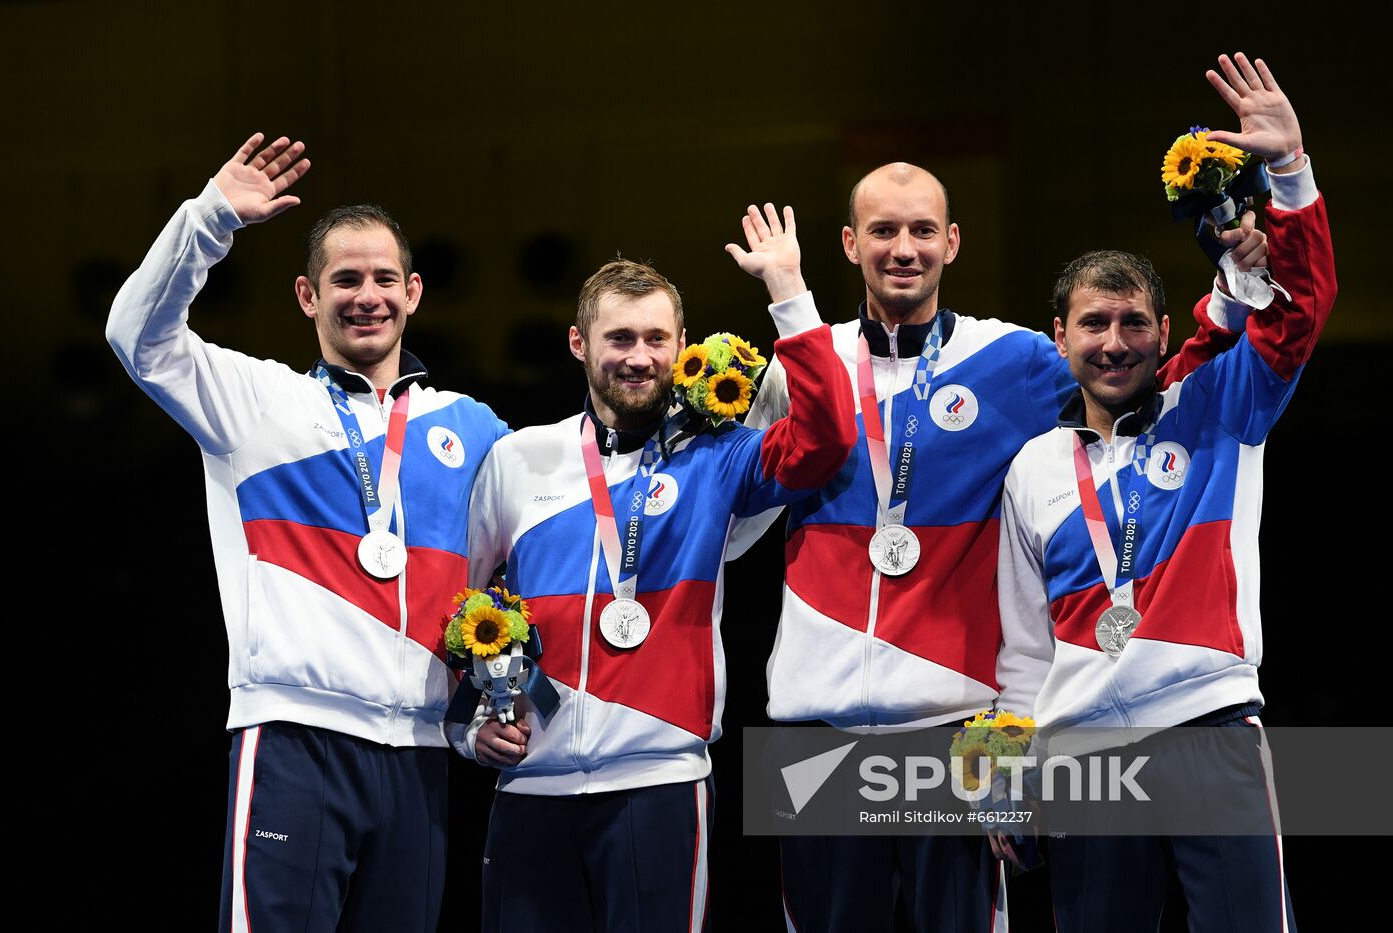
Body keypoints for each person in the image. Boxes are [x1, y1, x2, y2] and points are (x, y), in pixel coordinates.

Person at [732, 92, 1257, 933]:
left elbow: (1148, 380)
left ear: (953, 241)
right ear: (849, 243)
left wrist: (1228, 295)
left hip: (955, 726)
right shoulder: (802, 365)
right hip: (814, 724)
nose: (903, 249)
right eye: (883, 231)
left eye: (922, 230)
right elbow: (737, 525)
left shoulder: (1014, 358)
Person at [106, 134, 509, 932]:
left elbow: (535, 562)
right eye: (345, 279)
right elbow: (135, 336)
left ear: (415, 292)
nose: (368, 295)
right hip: (295, 739)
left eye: (385, 278)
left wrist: (495, 706)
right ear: (306, 295)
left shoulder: (475, 428)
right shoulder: (256, 402)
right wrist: (210, 219)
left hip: (420, 755)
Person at [996, 53, 1332, 930]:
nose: (1115, 343)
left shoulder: (1215, 409)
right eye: (1094, 324)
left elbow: (1297, 316)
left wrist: (1290, 172)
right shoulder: (1032, 468)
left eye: (1134, 322)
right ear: (1057, 336)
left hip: (1209, 727)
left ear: (1165, 330)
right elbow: (1021, 646)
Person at [458, 205, 856, 932]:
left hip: (659, 785)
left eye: (655, 339)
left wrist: (788, 290)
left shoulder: (719, 456)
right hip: (530, 790)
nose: (638, 356)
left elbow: (828, 440)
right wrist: (469, 725)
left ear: (680, 346)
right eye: (618, 338)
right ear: (579, 343)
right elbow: (457, 604)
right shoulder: (519, 458)